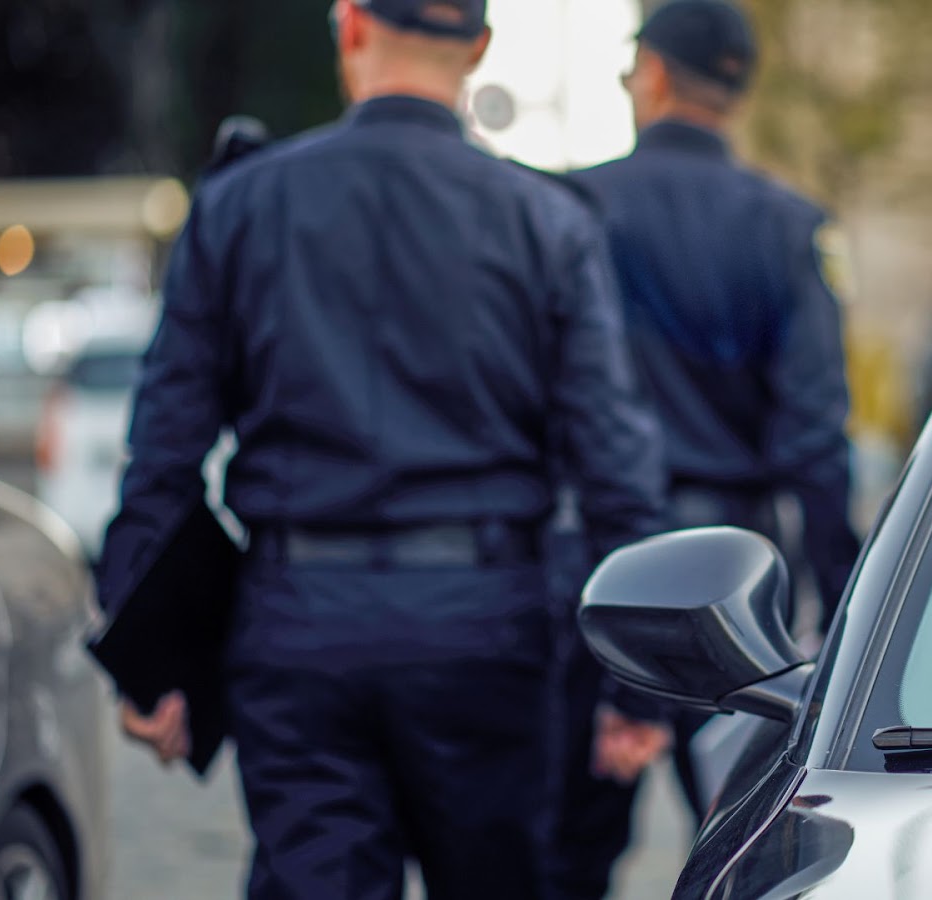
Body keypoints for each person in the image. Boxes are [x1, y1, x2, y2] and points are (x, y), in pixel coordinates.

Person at [101, 1, 667, 897]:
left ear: (351, 26)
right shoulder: (548, 221)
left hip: (298, 625)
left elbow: (164, 450)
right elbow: (615, 466)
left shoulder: (241, 204)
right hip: (486, 627)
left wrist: (151, 655)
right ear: (479, 48)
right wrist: (642, 685)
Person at [548, 2, 862, 896]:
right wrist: (848, 614)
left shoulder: (572, 207)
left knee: (563, 858)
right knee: (757, 853)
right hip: (736, 592)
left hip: (591, 568)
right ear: (737, 88)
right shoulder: (792, 226)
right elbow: (815, 441)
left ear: (650, 75)